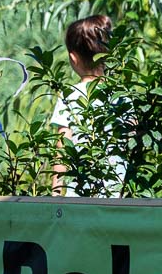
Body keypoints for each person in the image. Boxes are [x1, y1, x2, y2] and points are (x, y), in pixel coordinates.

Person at [51, 13, 127, 195]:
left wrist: (55, 193)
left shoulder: (69, 96)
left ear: (73, 58)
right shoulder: (122, 95)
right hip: (119, 195)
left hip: (80, 198)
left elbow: (63, 149)